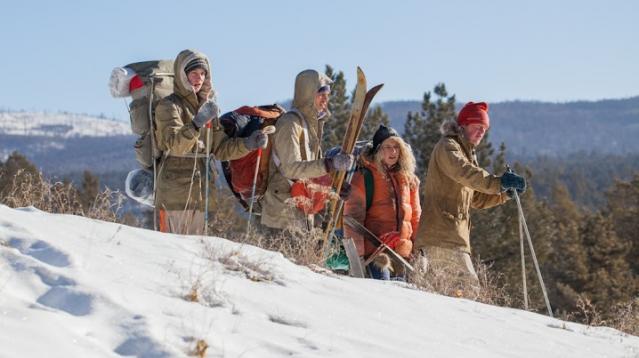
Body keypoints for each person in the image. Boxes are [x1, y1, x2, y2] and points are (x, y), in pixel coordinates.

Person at [413, 101, 526, 291]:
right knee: (469, 289)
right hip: (441, 234)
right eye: (478, 126)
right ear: (463, 125)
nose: (482, 131)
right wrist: (498, 183)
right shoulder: (448, 147)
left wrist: (504, 194)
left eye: (485, 128)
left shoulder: (467, 152)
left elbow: (476, 199)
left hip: (453, 236)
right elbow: (465, 172)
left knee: (451, 293)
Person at [154, 49, 267, 235]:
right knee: (171, 253)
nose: (199, 78)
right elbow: (174, 145)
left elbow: (220, 149)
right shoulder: (168, 106)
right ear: (183, 76)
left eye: (202, 74)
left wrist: (248, 144)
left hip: (202, 196)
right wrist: (196, 123)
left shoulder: (207, 108)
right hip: (174, 197)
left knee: (195, 256)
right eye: (193, 73)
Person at [260, 69, 353, 232]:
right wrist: (330, 163)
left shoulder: (311, 127)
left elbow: (312, 173)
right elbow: (292, 168)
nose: (326, 98)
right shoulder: (290, 124)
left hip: (301, 215)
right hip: (282, 216)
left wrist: (334, 186)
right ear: (308, 94)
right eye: (321, 93)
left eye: (328, 94)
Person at [343, 125, 421, 280]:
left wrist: (420, 251)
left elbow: (416, 218)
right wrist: (357, 259)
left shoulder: (408, 180)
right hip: (375, 256)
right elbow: (352, 219)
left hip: (404, 256)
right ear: (378, 150)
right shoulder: (364, 176)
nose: (393, 152)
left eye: (396, 147)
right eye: (387, 147)